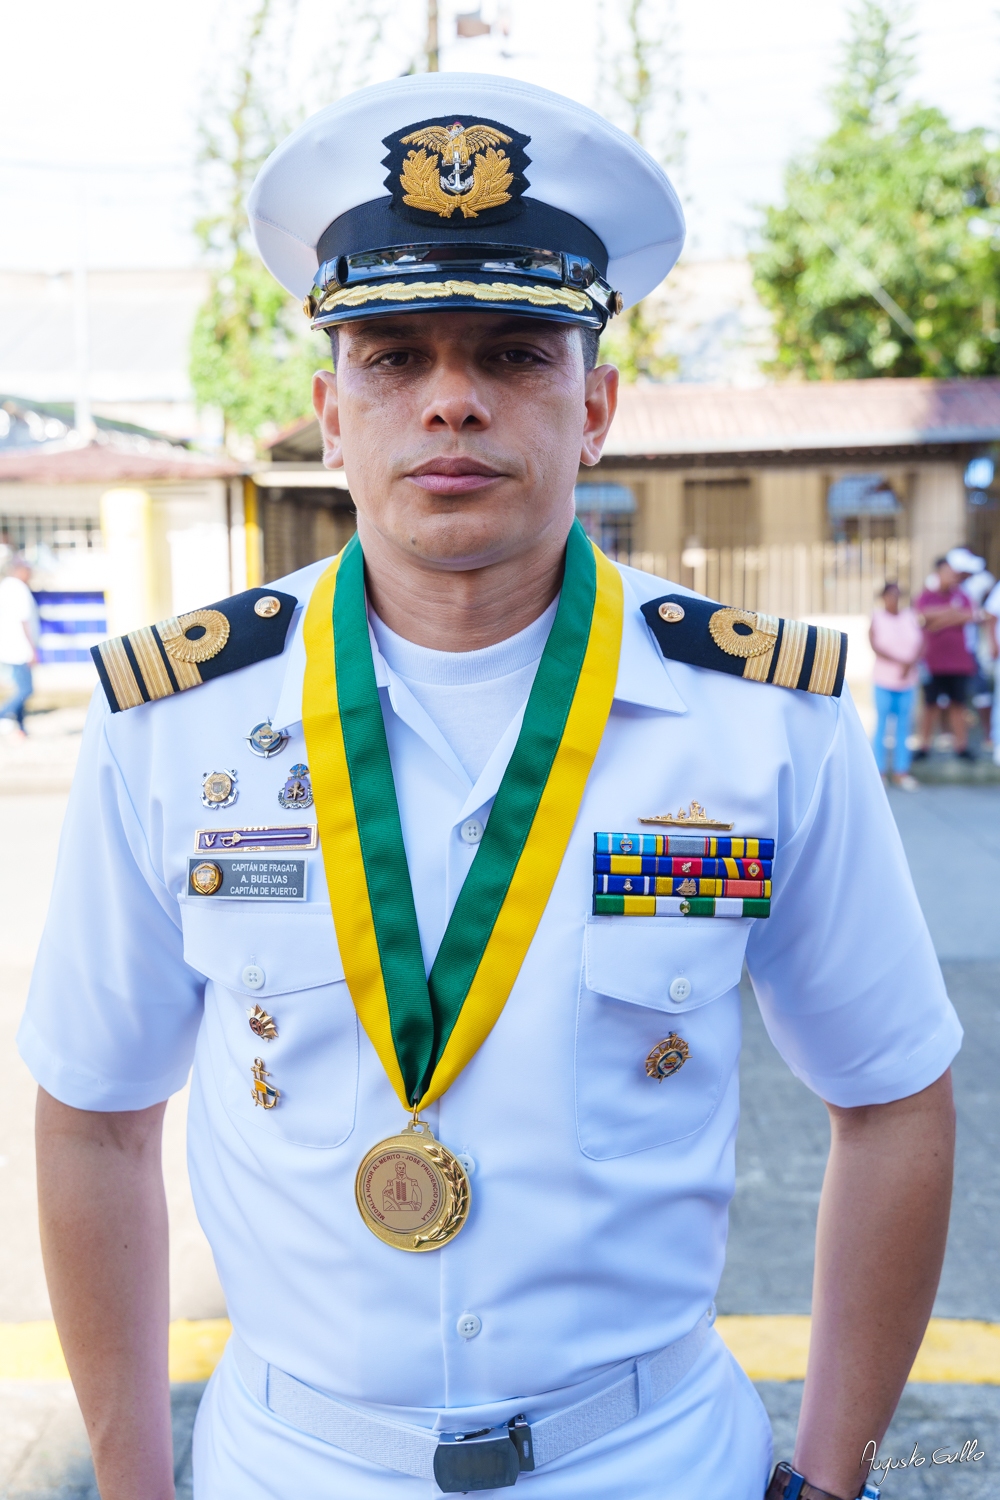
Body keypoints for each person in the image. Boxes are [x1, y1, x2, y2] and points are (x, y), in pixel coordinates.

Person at [20, 75, 958, 1500]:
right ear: (332, 410)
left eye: (516, 352)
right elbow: (93, 1118)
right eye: (394, 355)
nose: (451, 397)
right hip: (290, 1472)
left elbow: (893, 1096)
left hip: (656, 1468)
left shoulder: (762, 719)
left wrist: (833, 1482)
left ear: (598, 407)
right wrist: (137, 1486)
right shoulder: (176, 725)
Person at [912, 551, 980, 762]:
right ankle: (923, 746)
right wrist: (951, 613)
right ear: (938, 573)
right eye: (948, 572)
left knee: (958, 704)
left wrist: (937, 620)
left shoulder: (963, 595)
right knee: (930, 705)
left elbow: (970, 615)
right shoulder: (926, 595)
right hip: (933, 662)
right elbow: (921, 616)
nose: (952, 577)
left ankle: (961, 746)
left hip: (959, 663)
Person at [868, 582, 922, 790]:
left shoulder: (910, 616)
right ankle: (879, 772)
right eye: (890, 595)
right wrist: (900, 662)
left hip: (908, 680)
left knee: (903, 726)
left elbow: (920, 642)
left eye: (897, 595)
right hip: (884, 679)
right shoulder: (877, 618)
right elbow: (875, 645)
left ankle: (901, 771)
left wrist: (911, 663)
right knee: (882, 725)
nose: (894, 599)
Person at [0, 555, 40, 736]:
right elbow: (24, 621)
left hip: (8, 646)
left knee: (21, 689)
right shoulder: (19, 589)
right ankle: (3, 715)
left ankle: (21, 728)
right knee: (26, 689)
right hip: (19, 648)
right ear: (20, 570)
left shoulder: (5, 587)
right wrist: (31, 650)